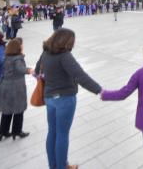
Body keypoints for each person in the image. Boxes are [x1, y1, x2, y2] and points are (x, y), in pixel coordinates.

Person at [35, 28, 102, 169]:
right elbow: (80, 76)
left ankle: (53, 166)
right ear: (66, 42)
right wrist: (99, 91)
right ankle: (62, 166)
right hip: (64, 100)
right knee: (62, 134)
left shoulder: (46, 52)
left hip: (49, 98)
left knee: (52, 131)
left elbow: (37, 71)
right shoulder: (64, 56)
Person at [0, 38, 33, 141]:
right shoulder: (17, 58)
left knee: (7, 110)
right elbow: (20, 69)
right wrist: (30, 70)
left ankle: (3, 132)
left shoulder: (6, 57)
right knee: (18, 109)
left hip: (5, 85)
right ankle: (17, 131)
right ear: (18, 47)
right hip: (15, 87)